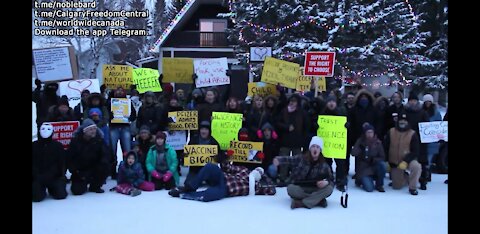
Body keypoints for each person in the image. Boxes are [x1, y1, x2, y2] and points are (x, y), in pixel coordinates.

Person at [168, 154, 276, 202]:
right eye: (257, 171)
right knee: (210, 166)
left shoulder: (258, 187)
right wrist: (223, 160)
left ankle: (183, 195)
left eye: (259, 174)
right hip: (222, 178)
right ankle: (190, 187)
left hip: (226, 190)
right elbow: (229, 168)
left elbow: (272, 190)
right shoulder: (245, 171)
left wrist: (265, 177)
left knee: (208, 196)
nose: (256, 174)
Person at [271, 136, 334, 209]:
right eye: (313, 146)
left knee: (329, 189)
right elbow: (289, 159)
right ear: (310, 148)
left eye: (317, 147)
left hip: (316, 189)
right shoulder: (301, 158)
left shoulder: (324, 165)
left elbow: (331, 180)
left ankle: (301, 203)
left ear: (320, 150)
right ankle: (318, 200)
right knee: (290, 188)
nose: (315, 149)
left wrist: (326, 182)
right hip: (300, 188)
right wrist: (279, 160)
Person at [67, 119, 111, 195]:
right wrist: (75, 171)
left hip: (94, 168)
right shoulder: (76, 141)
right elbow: (70, 158)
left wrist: (102, 165)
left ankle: (95, 186)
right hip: (80, 170)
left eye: (94, 128)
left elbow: (106, 155)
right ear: (84, 131)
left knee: (105, 166)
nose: (93, 131)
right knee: (77, 191)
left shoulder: (99, 140)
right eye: (90, 129)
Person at [384, 113, 422, 195]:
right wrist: (386, 161)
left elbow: (415, 151)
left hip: (408, 160)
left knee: (417, 166)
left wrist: (406, 161)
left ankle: (413, 187)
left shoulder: (413, 133)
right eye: (401, 120)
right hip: (394, 162)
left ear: (408, 122)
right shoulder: (391, 131)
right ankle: (405, 176)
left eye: (405, 121)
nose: (403, 122)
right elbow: (385, 147)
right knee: (396, 186)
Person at [32, 123, 68, 202]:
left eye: (48, 130)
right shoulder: (34, 145)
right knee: (36, 197)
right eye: (43, 129)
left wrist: (60, 175)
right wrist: (36, 175)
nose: (45, 132)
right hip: (38, 177)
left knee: (61, 194)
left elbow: (62, 163)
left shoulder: (58, 146)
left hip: (54, 176)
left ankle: (53, 189)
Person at [351, 123, 386, 192]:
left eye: (371, 132)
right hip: (363, 168)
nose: (370, 134)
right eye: (368, 132)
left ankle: (379, 185)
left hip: (374, 166)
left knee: (382, 165)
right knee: (369, 189)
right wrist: (360, 148)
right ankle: (360, 180)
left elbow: (382, 157)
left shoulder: (378, 143)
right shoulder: (360, 141)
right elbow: (353, 153)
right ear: (365, 133)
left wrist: (374, 160)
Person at [184, 121, 222, 185]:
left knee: (215, 184)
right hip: (195, 169)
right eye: (202, 129)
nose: (203, 131)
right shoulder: (194, 140)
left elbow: (220, 156)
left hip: (209, 170)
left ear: (209, 131)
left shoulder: (214, 142)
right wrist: (185, 156)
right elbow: (186, 154)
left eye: (206, 129)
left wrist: (216, 157)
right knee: (188, 184)